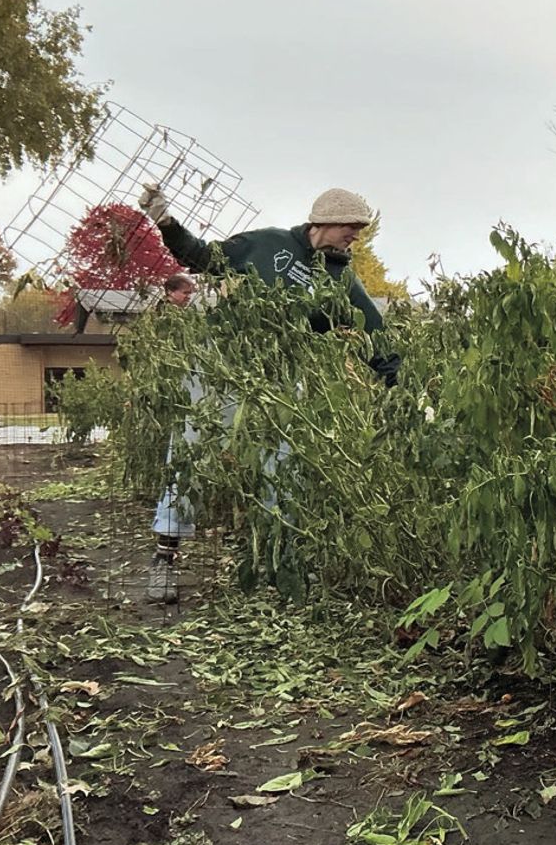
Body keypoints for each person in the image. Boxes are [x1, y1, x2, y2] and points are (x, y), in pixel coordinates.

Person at [137, 184, 400, 602]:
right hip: (221, 365)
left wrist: (401, 385)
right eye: (351, 227)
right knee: (191, 453)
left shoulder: (340, 280)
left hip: (280, 375)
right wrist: (166, 222)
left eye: (360, 229)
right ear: (326, 221)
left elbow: (376, 334)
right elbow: (202, 257)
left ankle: (280, 563)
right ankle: (164, 561)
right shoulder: (266, 244)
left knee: (284, 466)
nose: (356, 235)